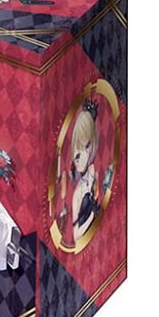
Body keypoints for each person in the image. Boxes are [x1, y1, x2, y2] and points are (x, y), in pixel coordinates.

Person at [70, 98, 101, 242]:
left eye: (87, 147)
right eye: (77, 155)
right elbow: (76, 235)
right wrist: (92, 216)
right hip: (86, 242)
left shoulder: (93, 171)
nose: (81, 158)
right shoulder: (76, 196)